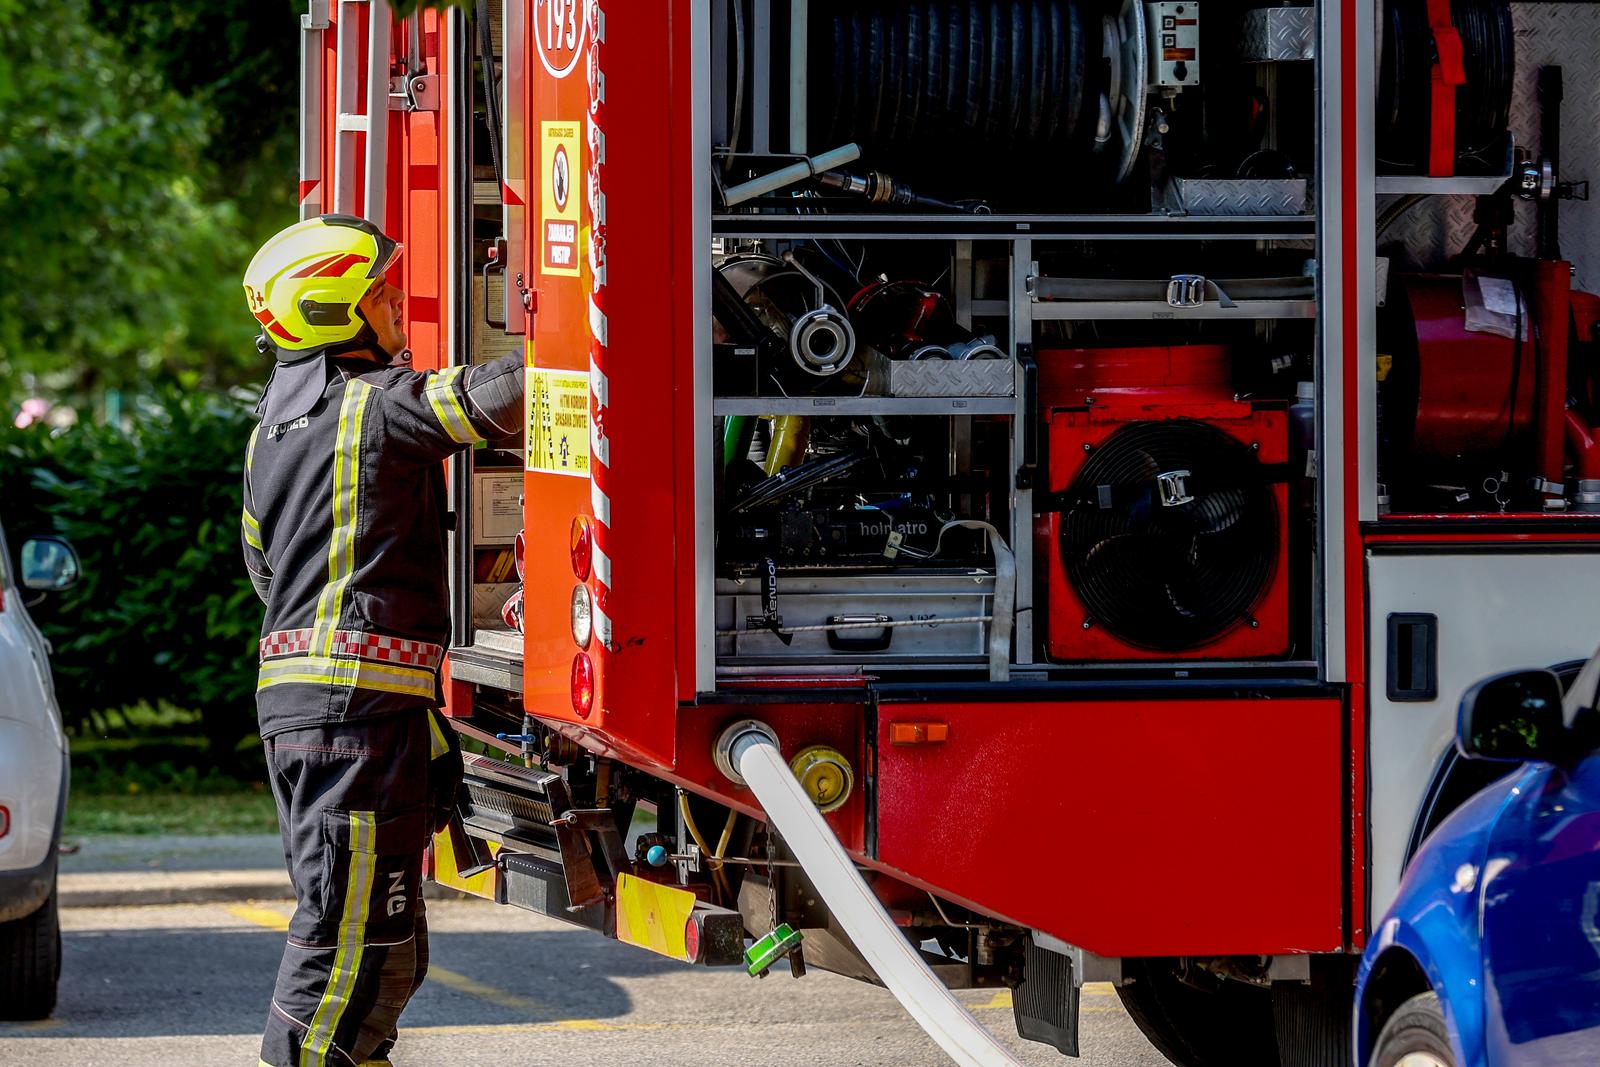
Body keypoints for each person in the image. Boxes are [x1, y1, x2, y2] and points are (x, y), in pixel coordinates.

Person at [240, 214, 523, 1067]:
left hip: (334, 718)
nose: (397, 306)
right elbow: (488, 399)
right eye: (380, 296)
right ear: (334, 315)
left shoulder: (269, 434)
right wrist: (598, 336)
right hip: (351, 726)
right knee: (348, 951)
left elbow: (262, 565)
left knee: (384, 950)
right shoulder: (371, 406)